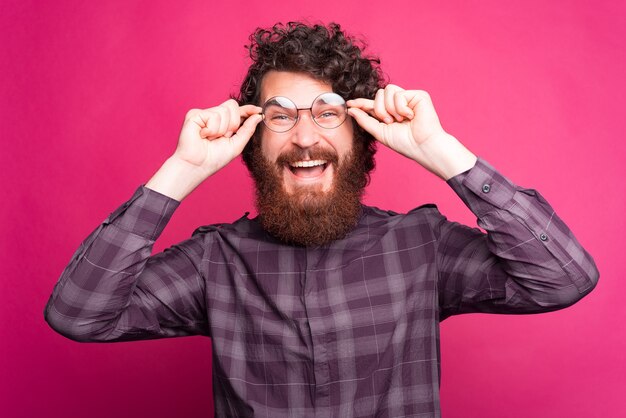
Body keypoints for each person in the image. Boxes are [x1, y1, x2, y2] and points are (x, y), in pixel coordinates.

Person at [45, 22, 599, 417]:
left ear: (362, 133)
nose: (305, 137)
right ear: (252, 138)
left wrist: (442, 151)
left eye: (328, 113)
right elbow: (78, 314)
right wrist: (181, 170)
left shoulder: (421, 245)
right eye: (280, 116)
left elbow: (564, 278)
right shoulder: (215, 260)